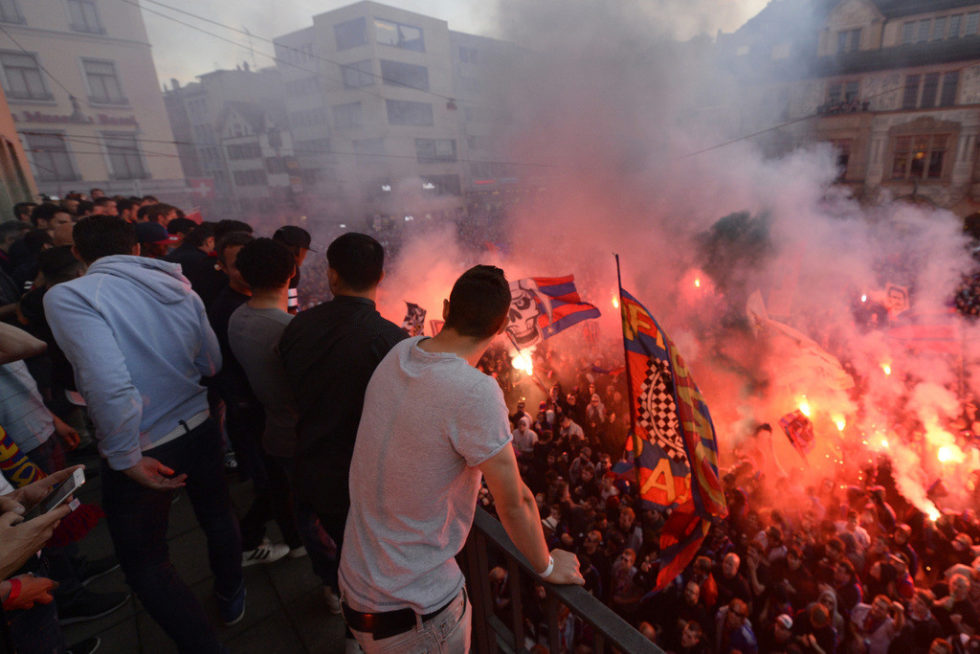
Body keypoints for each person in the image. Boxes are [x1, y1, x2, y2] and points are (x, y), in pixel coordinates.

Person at [339, 265, 584, 653]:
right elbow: (515, 500)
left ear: (446, 307)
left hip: (356, 580)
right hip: (415, 609)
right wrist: (547, 566)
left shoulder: (400, 351)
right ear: (501, 327)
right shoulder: (475, 391)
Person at [44, 215, 243, 653]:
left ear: (78, 253)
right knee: (217, 514)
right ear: (135, 247)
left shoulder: (71, 295)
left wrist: (123, 456)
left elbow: (107, 384)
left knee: (146, 561)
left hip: (146, 446)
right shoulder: (180, 287)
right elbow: (211, 362)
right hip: (200, 424)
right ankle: (232, 594)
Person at [279, 232, 407, 620]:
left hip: (310, 460)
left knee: (333, 540)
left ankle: (344, 596)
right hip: (365, 475)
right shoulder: (392, 341)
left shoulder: (298, 326)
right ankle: (365, 620)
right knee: (370, 558)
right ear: (380, 276)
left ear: (331, 275)